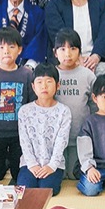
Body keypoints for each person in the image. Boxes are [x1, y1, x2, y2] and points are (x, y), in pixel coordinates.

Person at [0, 28, 35, 182]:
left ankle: (11, 162)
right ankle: (5, 162)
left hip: (19, 134)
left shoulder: (27, 74)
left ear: (20, 50)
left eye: (11, 46)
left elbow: (32, 104)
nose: (6, 51)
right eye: (1, 47)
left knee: (18, 175)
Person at [18, 63, 72, 194]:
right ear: (33, 86)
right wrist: (32, 165)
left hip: (53, 164)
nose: (44, 86)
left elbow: (61, 142)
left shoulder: (64, 111)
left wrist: (51, 166)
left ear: (57, 85)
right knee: (26, 190)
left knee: (47, 190)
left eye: (49, 82)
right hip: (29, 163)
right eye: (39, 82)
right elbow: (24, 141)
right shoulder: (25, 111)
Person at [52, 29, 97, 180]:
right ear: (55, 53)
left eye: (72, 48)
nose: (68, 54)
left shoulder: (88, 75)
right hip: (55, 139)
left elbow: (94, 105)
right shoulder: (51, 75)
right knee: (58, 176)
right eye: (62, 49)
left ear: (79, 51)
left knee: (74, 176)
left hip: (80, 138)